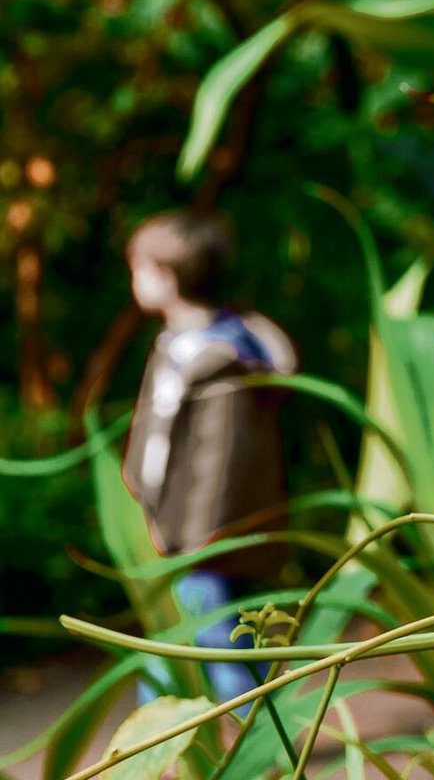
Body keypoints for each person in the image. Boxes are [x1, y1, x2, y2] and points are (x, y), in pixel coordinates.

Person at [120, 208, 296, 709]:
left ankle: (249, 738)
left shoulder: (223, 359)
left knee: (212, 641)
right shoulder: (174, 346)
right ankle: (169, 738)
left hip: (200, 538)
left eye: (138, 268)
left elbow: (218, 468)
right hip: (170, 528)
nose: (133, 280)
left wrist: (191, 538)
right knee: (187, 641)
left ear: (167, 277)